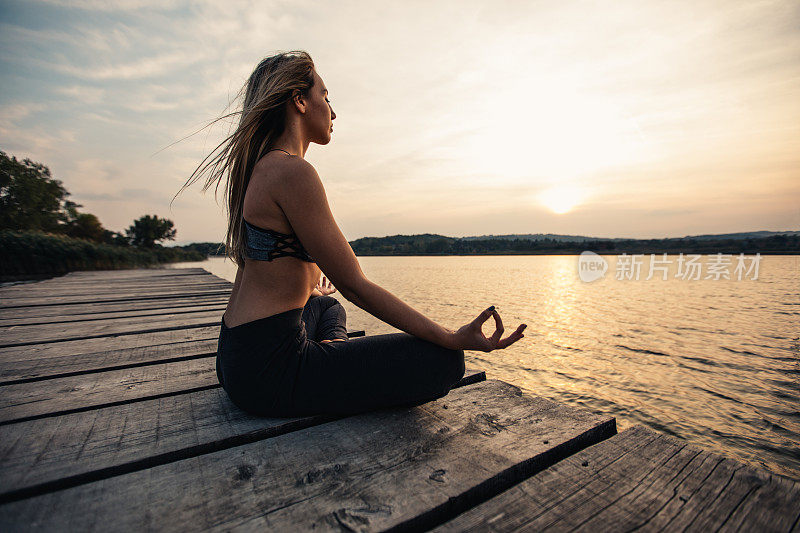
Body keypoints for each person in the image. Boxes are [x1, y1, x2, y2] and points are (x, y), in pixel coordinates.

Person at [179, 50, 527, 418]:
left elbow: (266, 268)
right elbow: (357, 286)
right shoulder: (293, 172)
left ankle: (331, 347)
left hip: (236, 358)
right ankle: (330, 356)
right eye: (325, 97)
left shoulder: (263, 169)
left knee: (326, 304)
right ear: (299, 101)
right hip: (271, 374)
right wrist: (451, 337)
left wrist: (308, 287)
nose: (332, 110)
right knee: (444, 362)